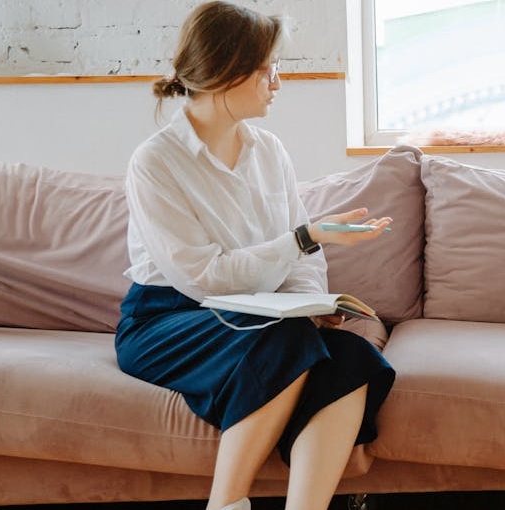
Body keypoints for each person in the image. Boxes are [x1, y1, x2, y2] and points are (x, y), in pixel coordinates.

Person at [113, 3, 395, 510]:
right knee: (283, 341)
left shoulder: (269, 151)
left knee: (353, 357)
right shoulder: (155, 162)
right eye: (269, 69)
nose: (277, 83)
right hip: (167, 319)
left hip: (262, 314)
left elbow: (303, 260)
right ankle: (225, 504)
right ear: (227, 71)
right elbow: (204, 277)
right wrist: (303, 239)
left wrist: (309, 306)